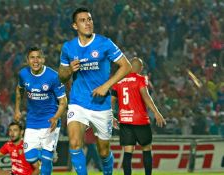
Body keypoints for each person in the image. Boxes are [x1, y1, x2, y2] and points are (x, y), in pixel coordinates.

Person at [58, 7, 131, 175]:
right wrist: (69, 70)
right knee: (75, 143)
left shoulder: (104, 43)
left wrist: (107, 86)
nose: (88, 23)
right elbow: (61, 77)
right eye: (83, 20)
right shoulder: (68, 48)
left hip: (101, 105)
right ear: (75, 26)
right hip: (78, 102)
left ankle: (108, 172)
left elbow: (126, 66)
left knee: (104, 151)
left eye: (89, 19)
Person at [14, 47, 67, 175]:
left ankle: (48, 154)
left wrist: (56, 117)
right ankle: (49, 153)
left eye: (38, 57)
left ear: (43, 59)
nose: (35, 60)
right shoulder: (23, 74)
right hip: (32, 121)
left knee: (46, 160)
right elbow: (19, 90)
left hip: (50, 120)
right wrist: (17, 109)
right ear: (27, 60)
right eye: (32, 57)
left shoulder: (53, 76)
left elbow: (63, 101)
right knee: (30, 157)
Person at [111, 57, 166, 175]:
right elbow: (146, 96)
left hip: (125, 121)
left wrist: (111, 116)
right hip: (140, 120)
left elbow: (111, 101)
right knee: (146, 149)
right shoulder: (140, 79)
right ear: (140, 68)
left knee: (128, 152)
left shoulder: (118, 80)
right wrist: (156, 112)